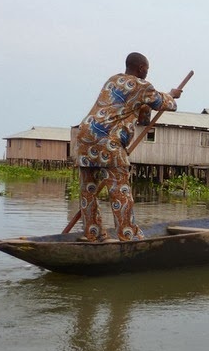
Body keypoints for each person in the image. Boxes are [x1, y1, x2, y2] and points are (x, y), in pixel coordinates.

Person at [75, 52, 182, 242]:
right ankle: (128, 235)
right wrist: (173, 95)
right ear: (141, 68)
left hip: (84, 135)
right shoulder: (141, 85)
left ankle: (93, 233)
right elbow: (165, 103)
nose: (147, 73)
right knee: (119, 189)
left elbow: (141, 115)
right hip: (108, 140)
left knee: (88, 189)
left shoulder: (112, 80)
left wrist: (145, 109)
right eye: (147, 69)